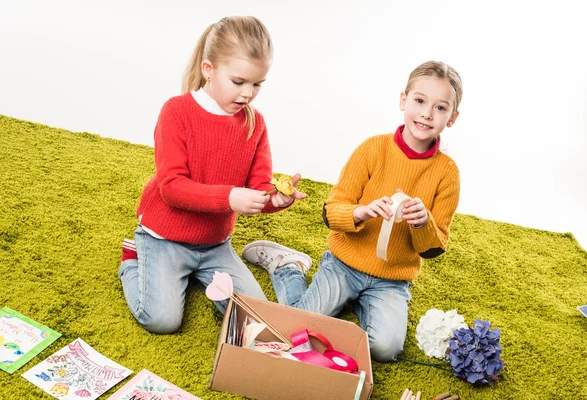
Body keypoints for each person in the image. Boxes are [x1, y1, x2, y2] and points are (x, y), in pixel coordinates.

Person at [242, 61, 462, 362]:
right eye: (420, 101)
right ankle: (288, 268)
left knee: (386, 349)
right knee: (298, 330)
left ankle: (354, 303)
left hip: (391, 280)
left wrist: (423, 223)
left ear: (452, 118)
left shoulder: (447, 173)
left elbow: (435, 248)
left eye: (440, 108)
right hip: (344, 263)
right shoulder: (372, 149)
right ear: (403, 100)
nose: (426, 113)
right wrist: (362, 212)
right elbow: (331, 212)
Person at [118, 16, 306, 334]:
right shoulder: (177, 112)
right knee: (162, 320)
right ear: (209, 69)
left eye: (257, 84)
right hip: (165, 239)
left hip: (214, 244)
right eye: (238, 82)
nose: (248, 93)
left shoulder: (254, 123)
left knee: (255, 321)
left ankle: (187, 273)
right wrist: (230, 197)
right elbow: (172, 188)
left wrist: (277, 198)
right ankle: (134, 259)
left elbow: (259, 187)